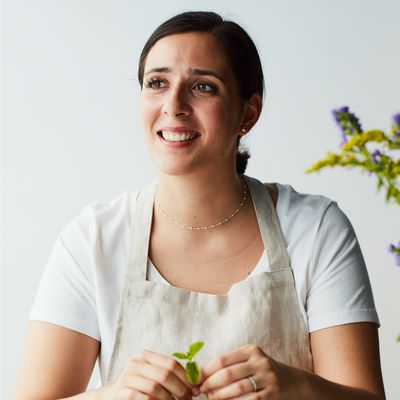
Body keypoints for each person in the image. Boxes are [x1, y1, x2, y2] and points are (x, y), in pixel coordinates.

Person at [13, 11, 385, 400]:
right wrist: (115, 395)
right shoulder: (92, 240)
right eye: (156, 83)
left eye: (203, 87)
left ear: (248, 113)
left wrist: (295, 385)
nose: (173, 105)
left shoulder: (316, 228)